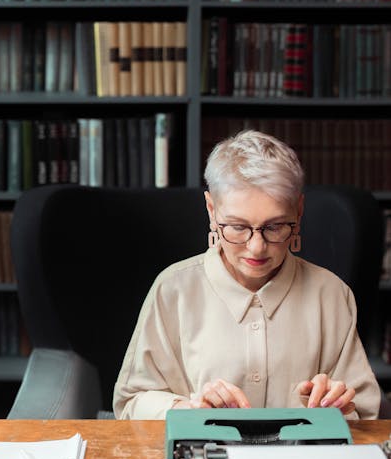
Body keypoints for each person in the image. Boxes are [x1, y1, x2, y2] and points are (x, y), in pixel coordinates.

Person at [113, 129, 381, 420]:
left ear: (299, 211)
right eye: (238, 226)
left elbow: (366, 413)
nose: (257, 248)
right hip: (203, 458)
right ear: (212, 210)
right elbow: (130, 404)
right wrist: (190, 410)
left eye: (275, 226)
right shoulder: (173, 290)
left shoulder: (331, 294)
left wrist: (339, 406)